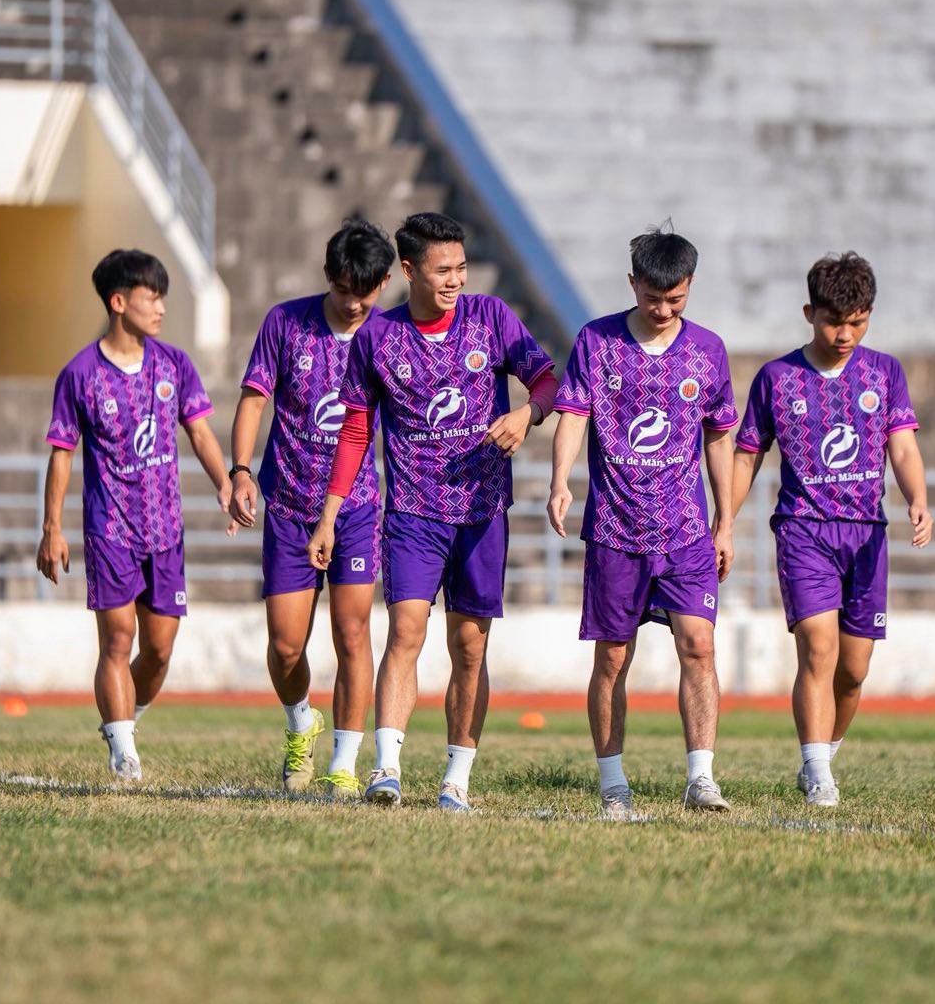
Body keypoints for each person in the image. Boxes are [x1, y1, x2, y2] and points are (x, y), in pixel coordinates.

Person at [307, 212, 557, 812]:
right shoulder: (377, 337)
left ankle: (456, 780)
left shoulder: (491, 318)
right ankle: (386, 769)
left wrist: (526, 415)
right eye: (443, 270)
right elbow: (356, 430)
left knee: (469, 647)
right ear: (409, 270)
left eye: (461, 268)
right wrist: (329, 515)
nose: (455, 280)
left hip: (482, 511)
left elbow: (548, 380)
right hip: (413, 513)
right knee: (405, 633)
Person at [546, 226, 738, 819]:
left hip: (686, 531)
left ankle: (701, 778)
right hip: (615, 529)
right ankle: (613, 784)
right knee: (611, 659)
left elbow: (720, 436)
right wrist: (560, 480)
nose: (663, 310)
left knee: (699, 646)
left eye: (675, 299)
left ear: (690, 287)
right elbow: (573, 414)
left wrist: (725, 519)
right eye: (653, 298)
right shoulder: (596, 340)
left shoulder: (708, 350)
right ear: (633, 284)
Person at [728, 252, 933, 808]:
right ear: (809, 314)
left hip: (866, 535)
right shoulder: (777, 378)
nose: (845, 335)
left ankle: (824, 755)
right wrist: (724, 522)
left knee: (853, 670)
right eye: (833, 322)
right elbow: (747, 456)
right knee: (818, 649)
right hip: (804, 530)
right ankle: (818, 770)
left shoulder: (885, 373)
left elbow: (902, 446)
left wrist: (918, 498)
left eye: (858, 322)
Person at [38, 249, 229, 782]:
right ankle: (124, 752)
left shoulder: (174, 364)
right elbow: (62, 454)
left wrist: (226, 482)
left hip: (166, 530)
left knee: (159, 650)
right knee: (118, 639)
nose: (162, 308)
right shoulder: (79, 374)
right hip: (110, 530)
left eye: (163, 298)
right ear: (119, 302)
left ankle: (125, 720)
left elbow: (200, 432)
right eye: (152, 297)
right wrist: (52, 528)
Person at [228, 216, 393, 796]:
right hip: (289, 504)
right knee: (285, 644)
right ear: (328, 276)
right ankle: (301, 722)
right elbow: (254, 400)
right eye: (344, 290)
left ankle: (343, 764)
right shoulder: (286, 323)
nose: (353, 304)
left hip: (357, 508)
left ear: (385, 283)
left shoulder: (389, 336)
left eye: (365, 293)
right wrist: (241, 471)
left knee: (352, 631)